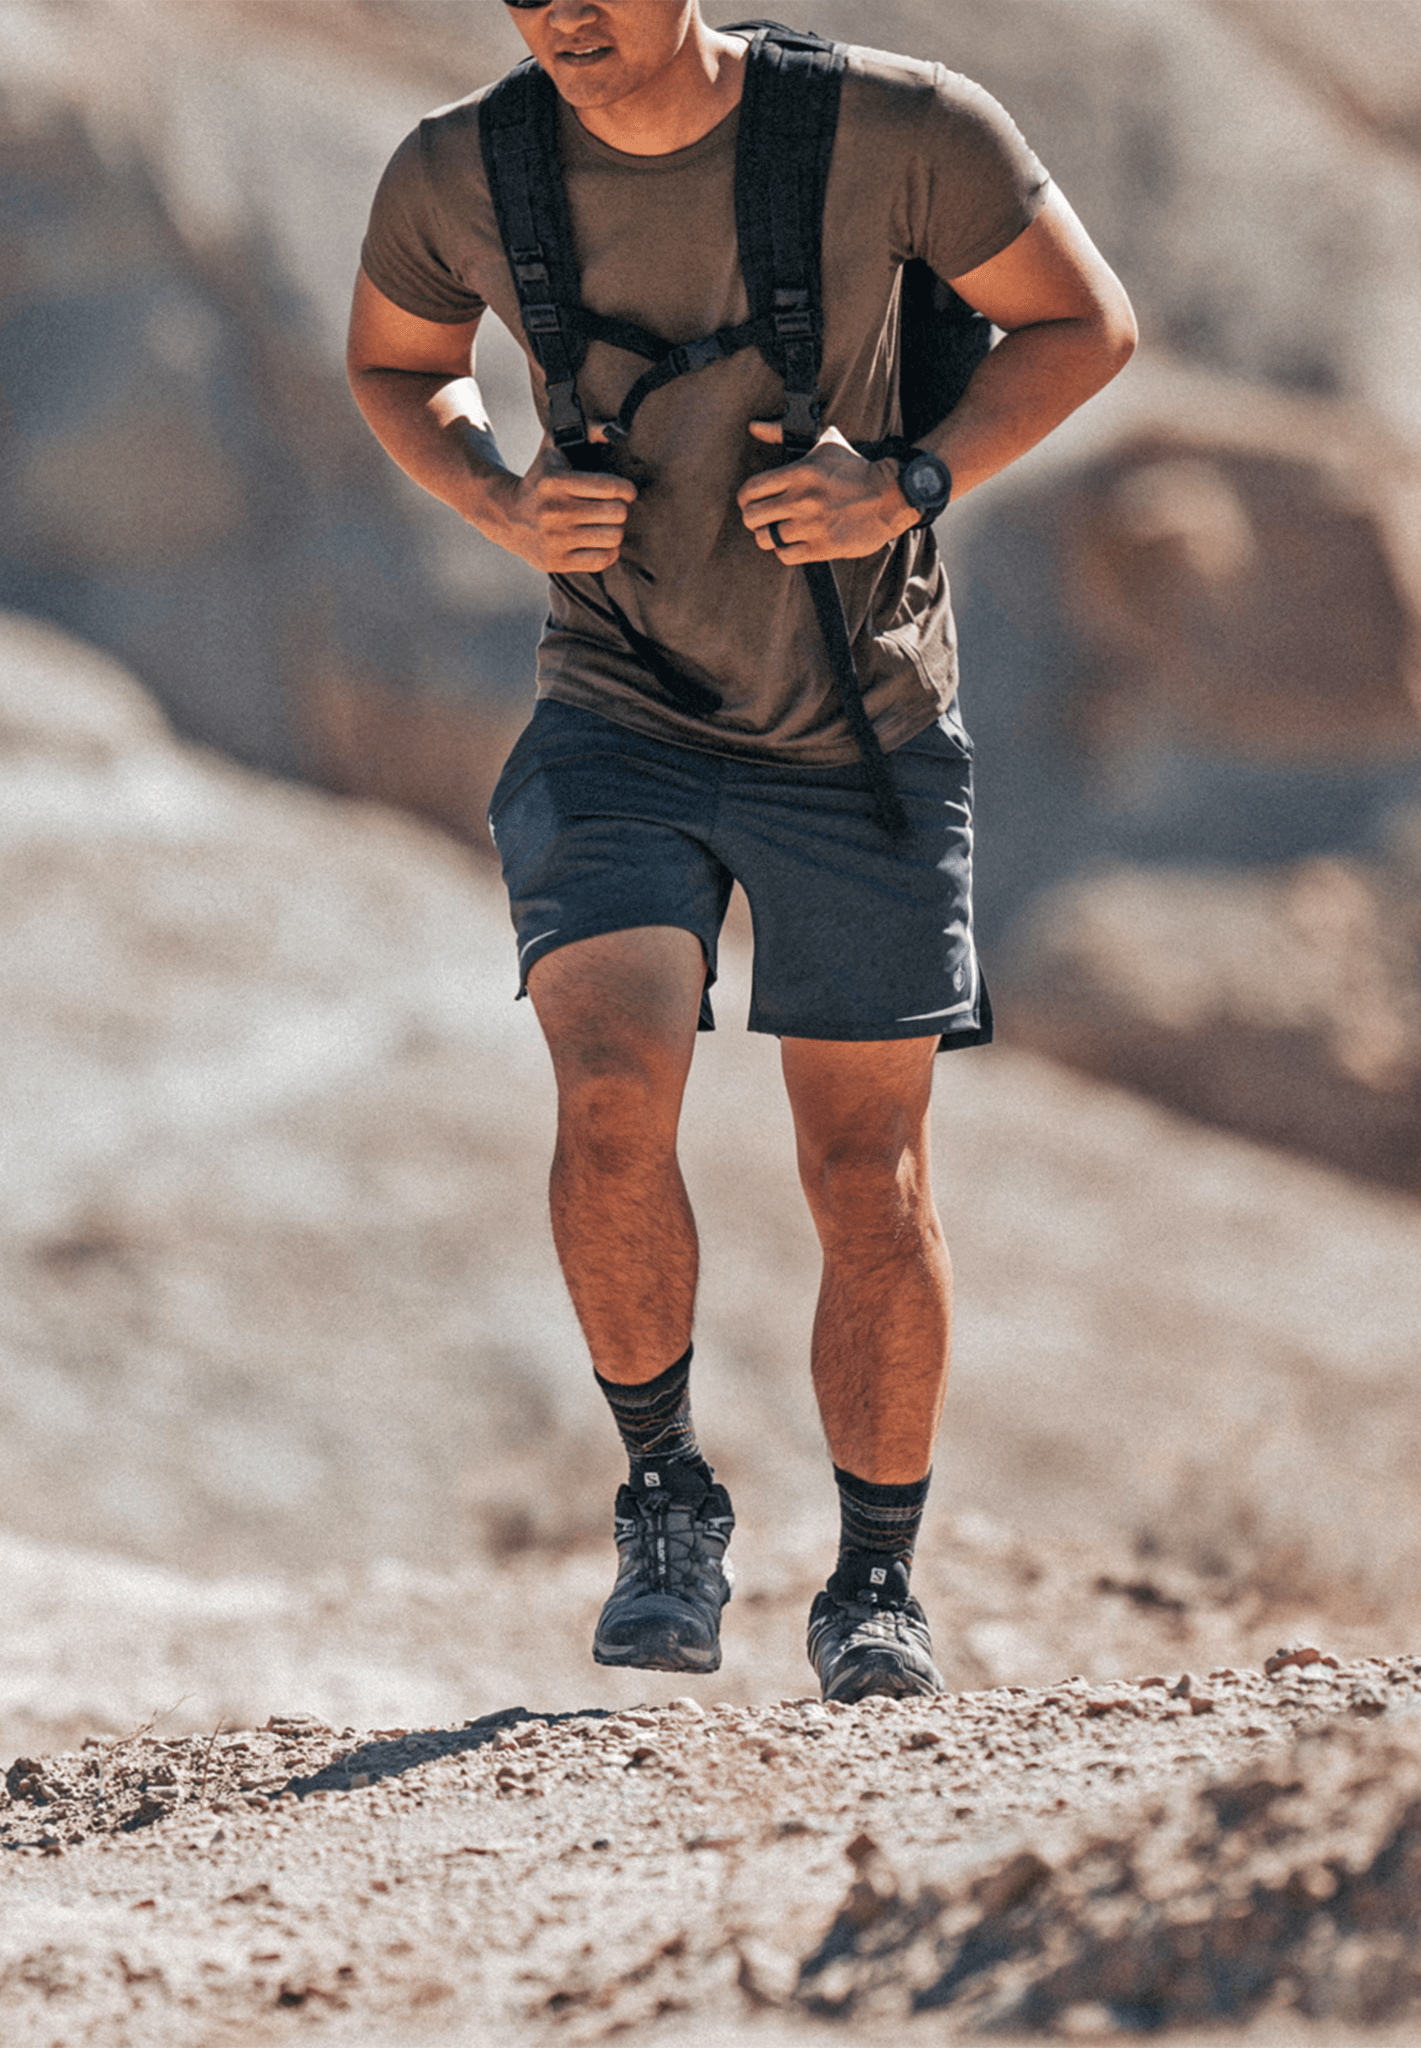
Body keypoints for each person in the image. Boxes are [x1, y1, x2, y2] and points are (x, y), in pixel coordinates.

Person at [347, 0, 1135, 1701]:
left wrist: (906, 483)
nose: (562, 10)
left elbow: (1083, 324)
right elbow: (396, 366)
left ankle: (871, 1582)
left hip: (862, 743)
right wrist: (498, 500)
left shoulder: (907, 131)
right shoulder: (460, 169)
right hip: (614, 719)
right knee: (611, 1090)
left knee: (868, 1175)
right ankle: (667, 1497)